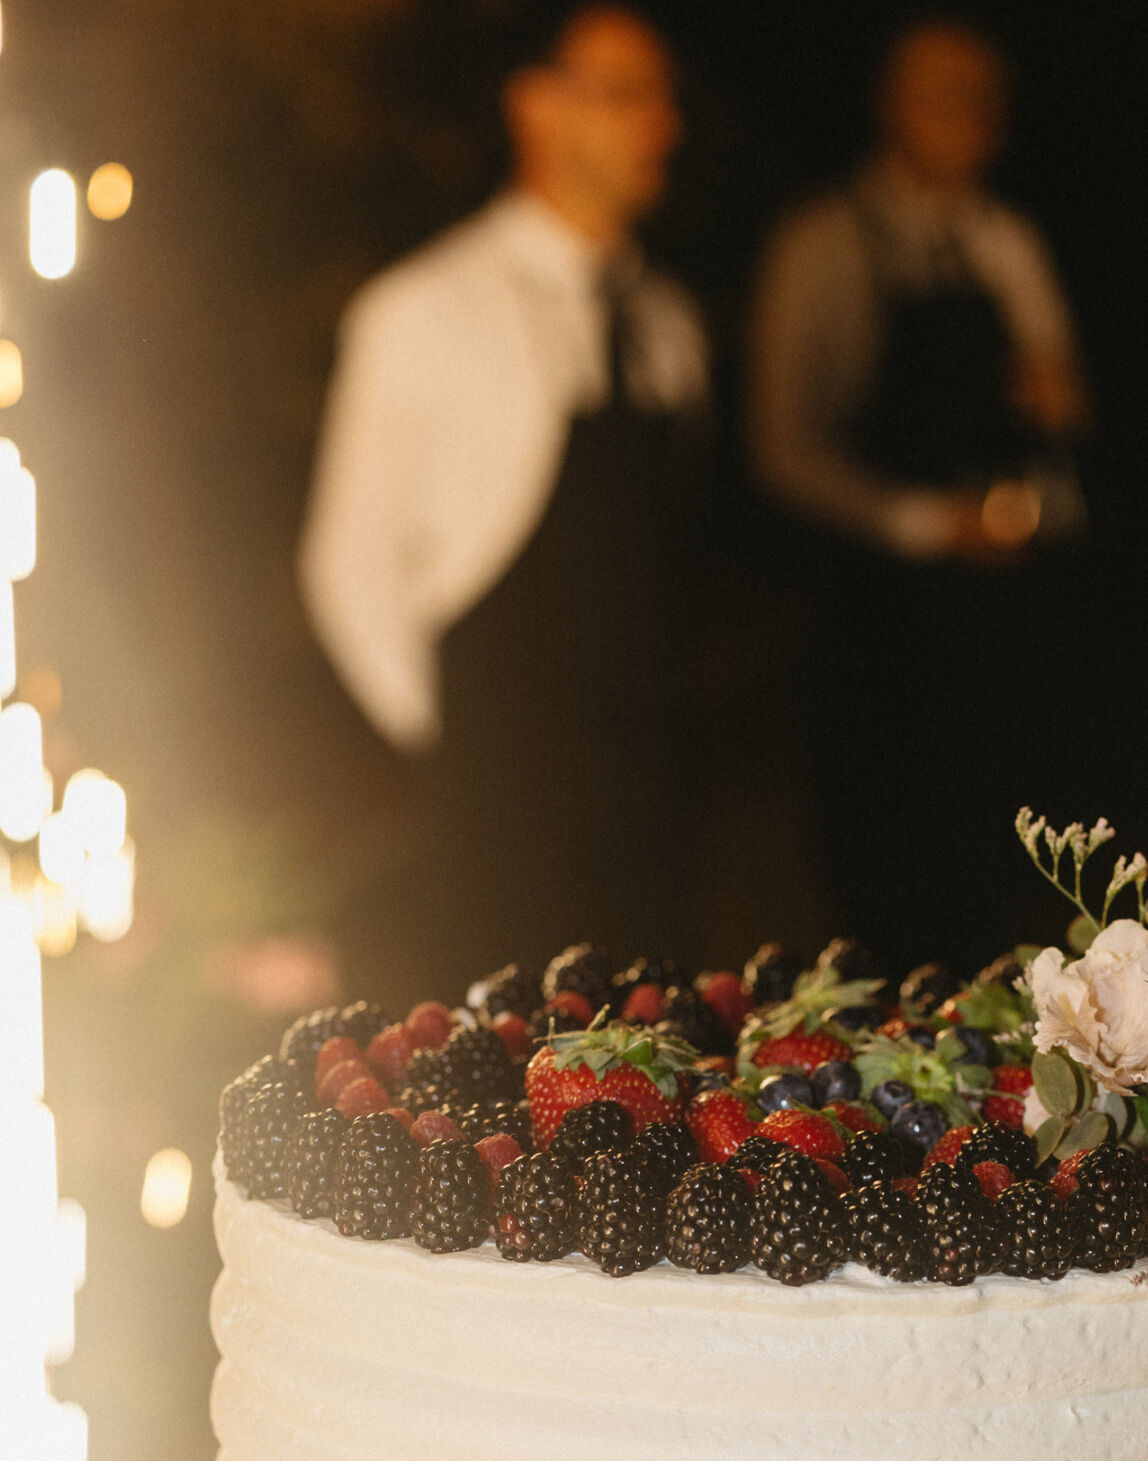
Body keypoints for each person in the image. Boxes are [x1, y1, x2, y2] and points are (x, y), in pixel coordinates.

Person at [300, 6, 709, 990]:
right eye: (627, 93)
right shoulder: (424, 310)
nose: (662, 125)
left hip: (656, 805)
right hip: (501, 817)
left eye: (665, 97)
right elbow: (344, 569)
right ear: (535, 103)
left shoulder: (669, 325)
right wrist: (466, 754)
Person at [748, 17, 1087, 978]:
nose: (969, 116)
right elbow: (781, 447)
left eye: (985, 96)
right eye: (944, 92)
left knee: (1010, 872)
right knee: (888, 887)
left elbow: (1063, 405)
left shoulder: (1008, 240)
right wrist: (924, 525)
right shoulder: (825, 241)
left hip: (1005, 618)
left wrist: (1053, 418)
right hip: (877, 623)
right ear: (891, 104)